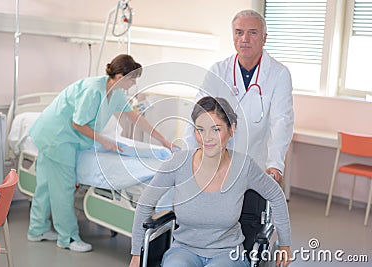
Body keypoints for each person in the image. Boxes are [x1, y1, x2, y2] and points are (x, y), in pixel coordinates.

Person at [27, 54, 174, 252]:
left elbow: (135, 117)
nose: (133, 84)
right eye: (132, 79)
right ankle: (68, 238)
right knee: (63, 189)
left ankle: (37, 230)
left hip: (54, 134)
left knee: (45, 185)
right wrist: (105, 141)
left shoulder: (117, 93)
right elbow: (77, 124)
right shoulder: (93, 90)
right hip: (57, 138)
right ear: (121, 76)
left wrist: (162, 139)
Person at [129, 96, 292, 267]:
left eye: (216, 130)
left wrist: (285, 244)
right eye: (200, 129)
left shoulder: (244, 167)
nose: (207, 138)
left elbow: (276, 195)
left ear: (231, 129)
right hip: (183, 251)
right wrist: (136, 254)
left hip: (227, 254)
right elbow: (145, 203)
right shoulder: (178, 163)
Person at [184, 9, 294, 183]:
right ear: (233, 36)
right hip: (218, 162)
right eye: (239, 32)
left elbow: (281, 121)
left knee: (252, 209)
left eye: (253, 33)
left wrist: (275, 164)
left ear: (264, 38)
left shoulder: (278, 74)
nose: (245, 39)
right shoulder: (218, 71)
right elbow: (196, 113)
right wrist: (191, 155)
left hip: (257, 163)